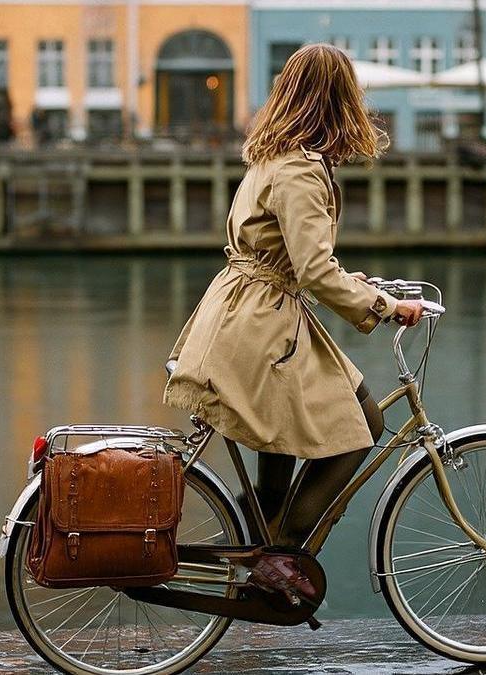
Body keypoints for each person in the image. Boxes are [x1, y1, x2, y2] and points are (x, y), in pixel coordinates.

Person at [163, 43, 427, 601]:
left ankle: (263, 529)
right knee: (363, 431)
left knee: (295, 428)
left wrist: (364, 285)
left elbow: (292, 257)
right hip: (262, 324)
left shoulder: (272, 157)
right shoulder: (301, 169)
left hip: (249, 312)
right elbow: (312, 270)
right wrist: (384, 306)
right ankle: (279, 552)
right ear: (338, 100)